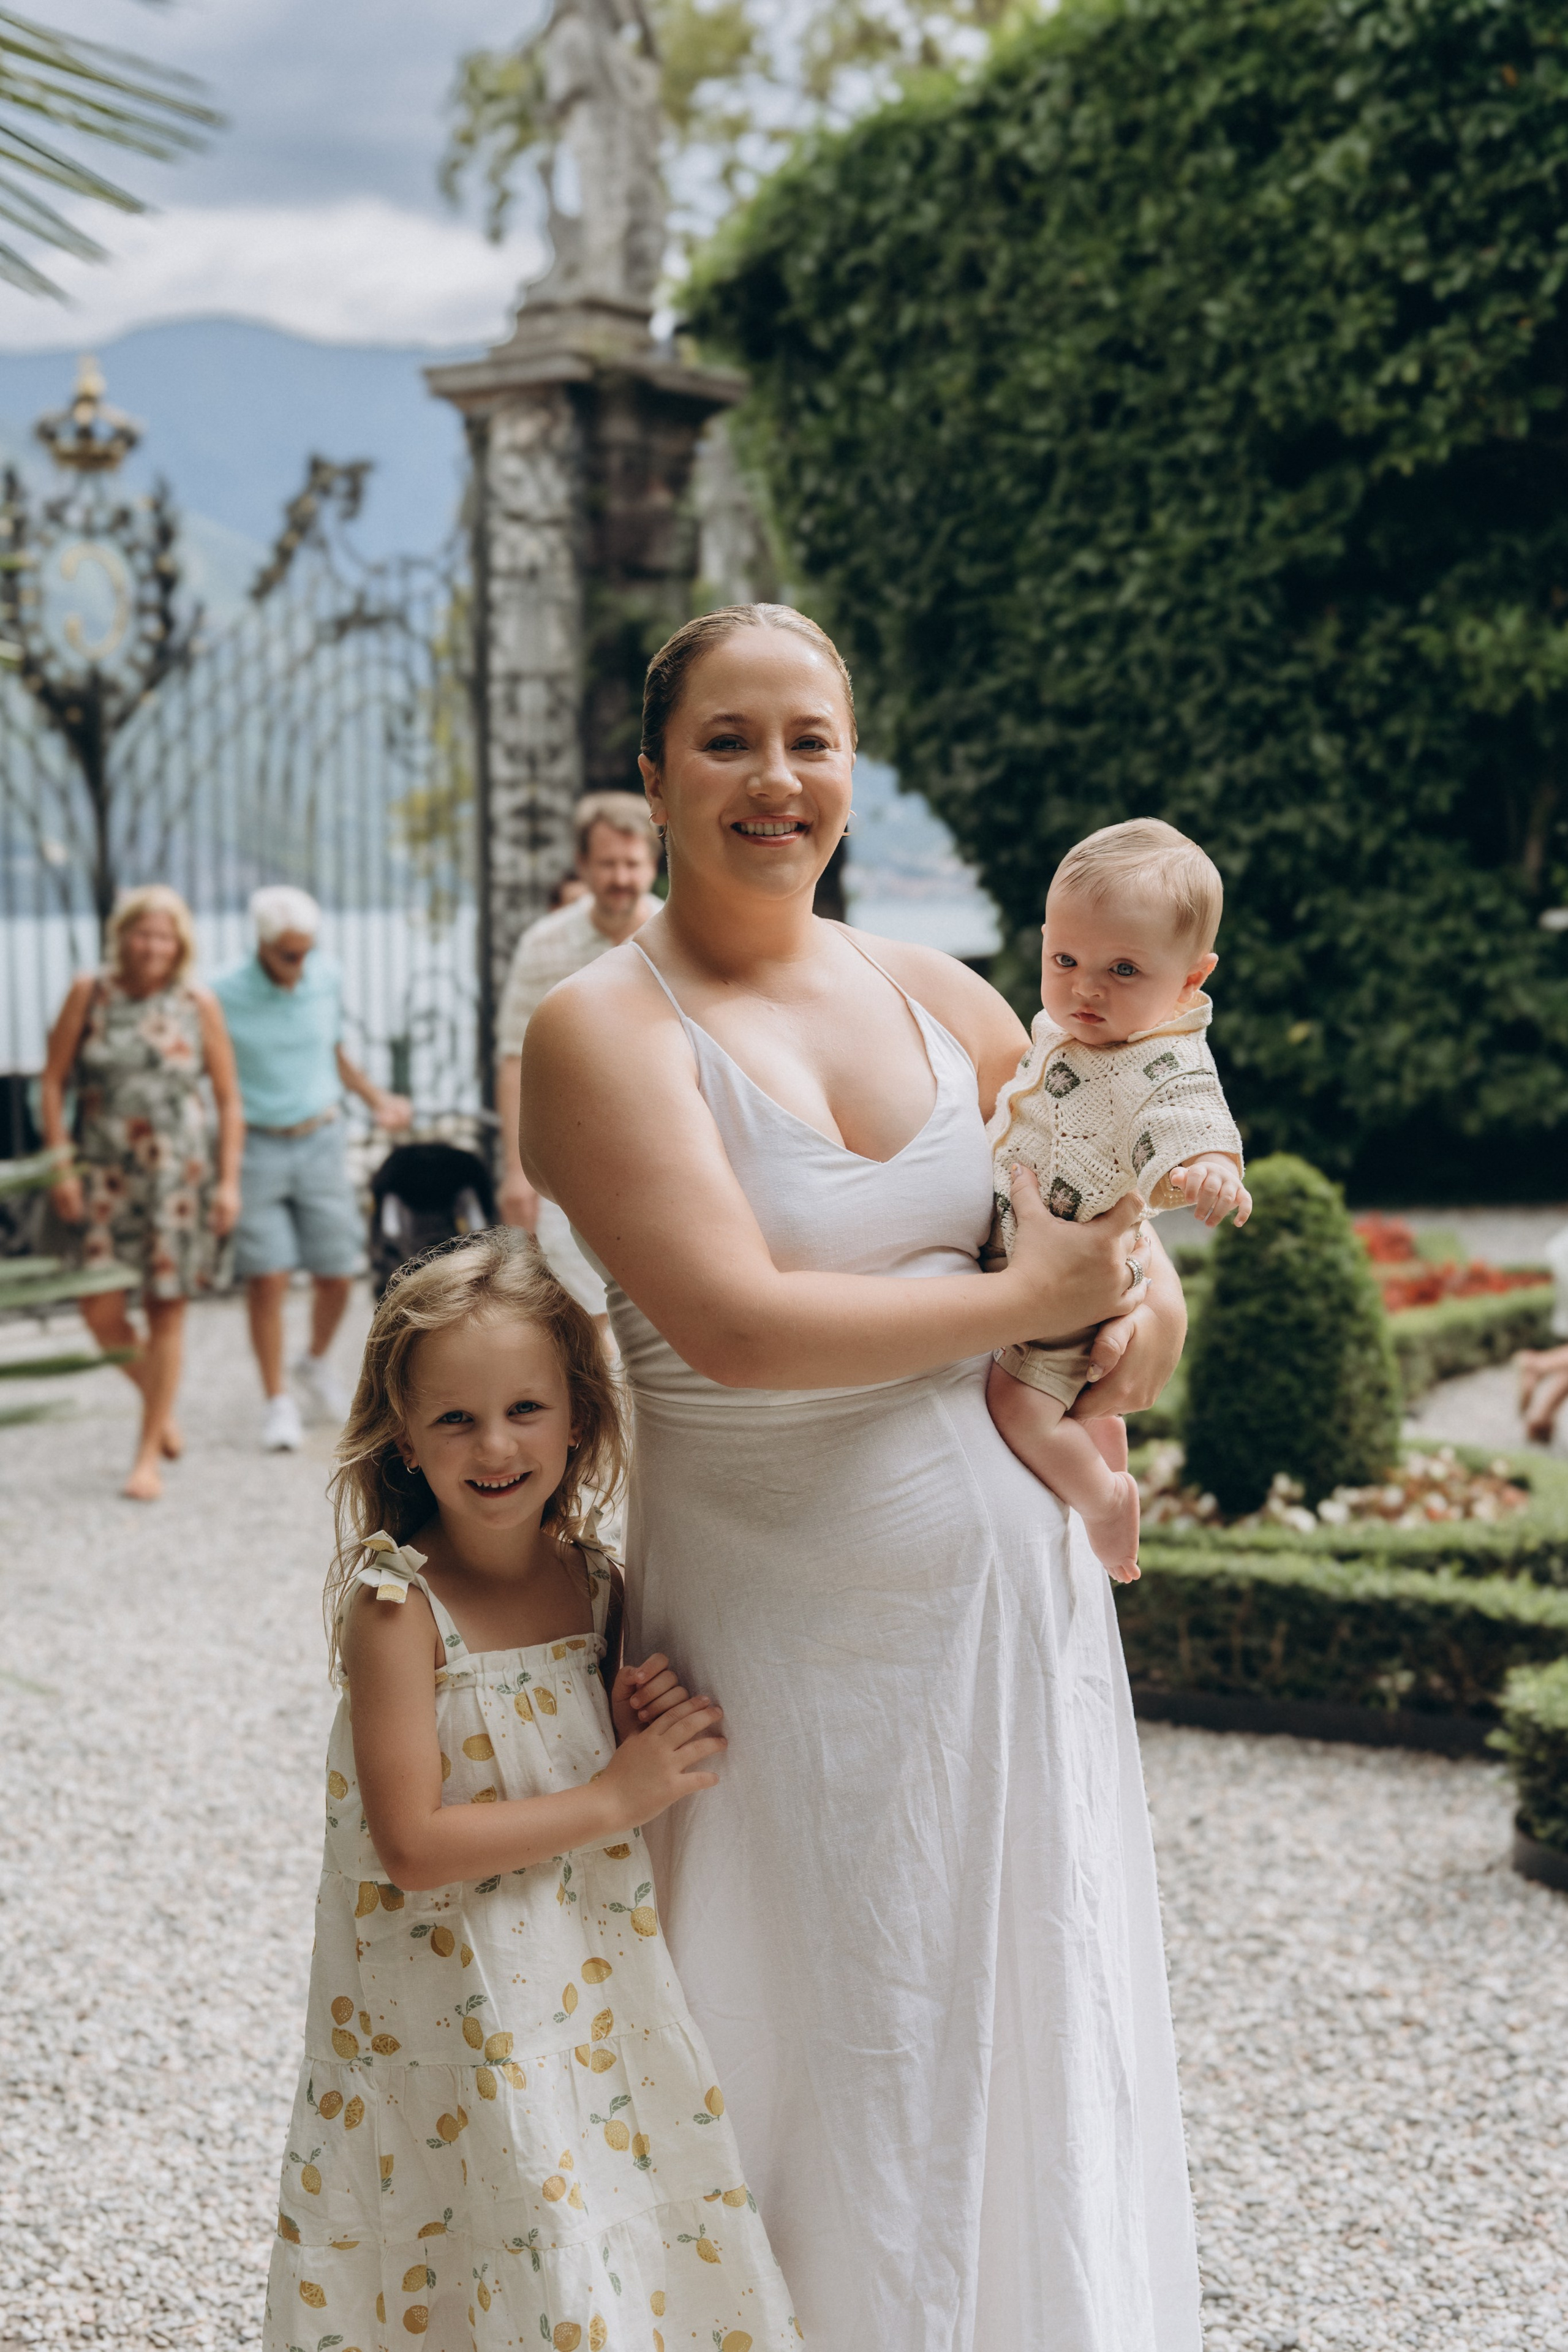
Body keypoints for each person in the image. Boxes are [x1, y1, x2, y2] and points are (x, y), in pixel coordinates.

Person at [522, 605, 1200, 2351]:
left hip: (1009, 1638)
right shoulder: (602, 1028)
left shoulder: (947, 993)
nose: (777, 778)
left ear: (852, 765)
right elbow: (738, 1329)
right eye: (731, 740)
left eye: (811, 739)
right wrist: (1032, 1297)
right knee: (821, 2062)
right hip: (785, 1656)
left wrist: (1137, 1310)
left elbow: (1088, 1204)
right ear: (658, 770)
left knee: (1013, 2030)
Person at [263, 1227, 801, 2352]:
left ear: (579, 1416)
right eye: (455, 1417)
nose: (494, 1445)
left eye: (526, 1410)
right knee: (477, 2222)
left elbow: (562, 1750)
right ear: (404, 1434)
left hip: (588, 1987)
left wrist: (628, 1724)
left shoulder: (592, 1580)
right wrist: (617, 1794)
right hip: (448, 2003)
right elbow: (411, 1843)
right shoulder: (398, 1604)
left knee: (591, 2205)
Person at [983, 818, 1250, 1580]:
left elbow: (1189, 1112)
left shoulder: (1160, 1058)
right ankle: (1105, 1452)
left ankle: (1103, 1503)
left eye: (1124, 969)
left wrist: (1208, 1167)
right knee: (1075, 1402)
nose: (1085, 987)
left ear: (1190, 980)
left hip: (1070, 1285)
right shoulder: (1072, 1026)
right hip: (1055, 1263)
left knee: (1017, 1404)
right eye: (1063, 958)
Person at [40, 884, 243, 1502]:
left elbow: (230, 1100)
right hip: (102, 1173)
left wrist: (229, 1182)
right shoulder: (89, 993)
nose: (151, 946)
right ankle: (159, 1399)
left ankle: (148, 1451)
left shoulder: (197, 1002)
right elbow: (52, 1085)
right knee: (99, 1311)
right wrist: (60, 1167)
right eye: (141, 933)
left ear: (178, 943)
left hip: (175, 1182)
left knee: (166, 1311)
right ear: (122, 936)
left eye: (163, 935)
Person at [212, 886, 410, 1453]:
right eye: (288, 955)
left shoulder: (326, 976)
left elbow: (335, 1051)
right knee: (268, 1277)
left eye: (306, 952)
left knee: (336, 1271)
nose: (299, 964)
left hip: (321, 1137)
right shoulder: (222, 992)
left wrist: (377, 1099)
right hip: (257, 1146)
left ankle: (314, 1361)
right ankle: (277, 1401)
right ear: (263, 944)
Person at [496, 791, 662, 1324]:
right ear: (583, 865)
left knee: (658, 1324)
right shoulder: (543, 945)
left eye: (632, 864)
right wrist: (516, 1171)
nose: (621, 877)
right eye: (608, 863)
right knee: (582, 1324)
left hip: (663, 1164)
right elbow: (513, 1059)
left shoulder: (679, 936)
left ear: (653, 865)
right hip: (566, 1166)